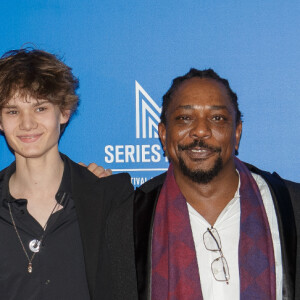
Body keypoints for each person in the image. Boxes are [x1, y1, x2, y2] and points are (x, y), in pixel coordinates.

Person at [133, 68, 300, 300]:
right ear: (163, 134)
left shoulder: (291, 207)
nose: (200, 131)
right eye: (184, 118)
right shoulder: (129, 219)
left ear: (237, 133)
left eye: (217, 118)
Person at [0, 48, 137, 300]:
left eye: (40, 108)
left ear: (63, 112)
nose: (27, 123)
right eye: (12, 111)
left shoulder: (108, 197)